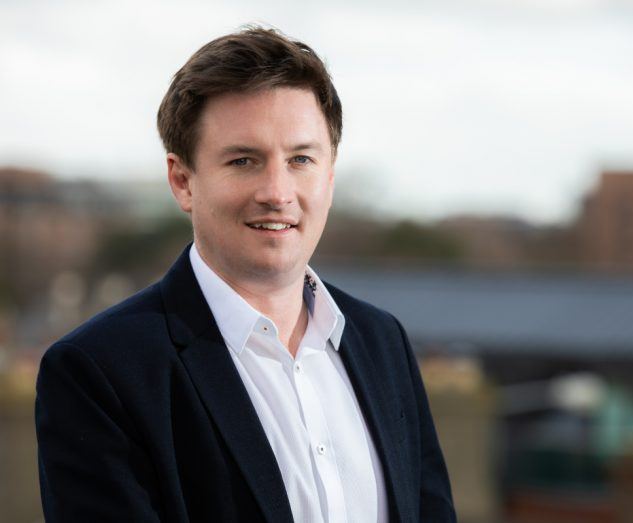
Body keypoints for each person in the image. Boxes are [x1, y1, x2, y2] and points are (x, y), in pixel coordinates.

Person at [35, 26, 456, 523]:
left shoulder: (382, 342)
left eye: (300, 159)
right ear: (182, 181)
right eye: (243, 160)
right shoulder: (100, 373)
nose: (277, 192)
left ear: (330, 176)